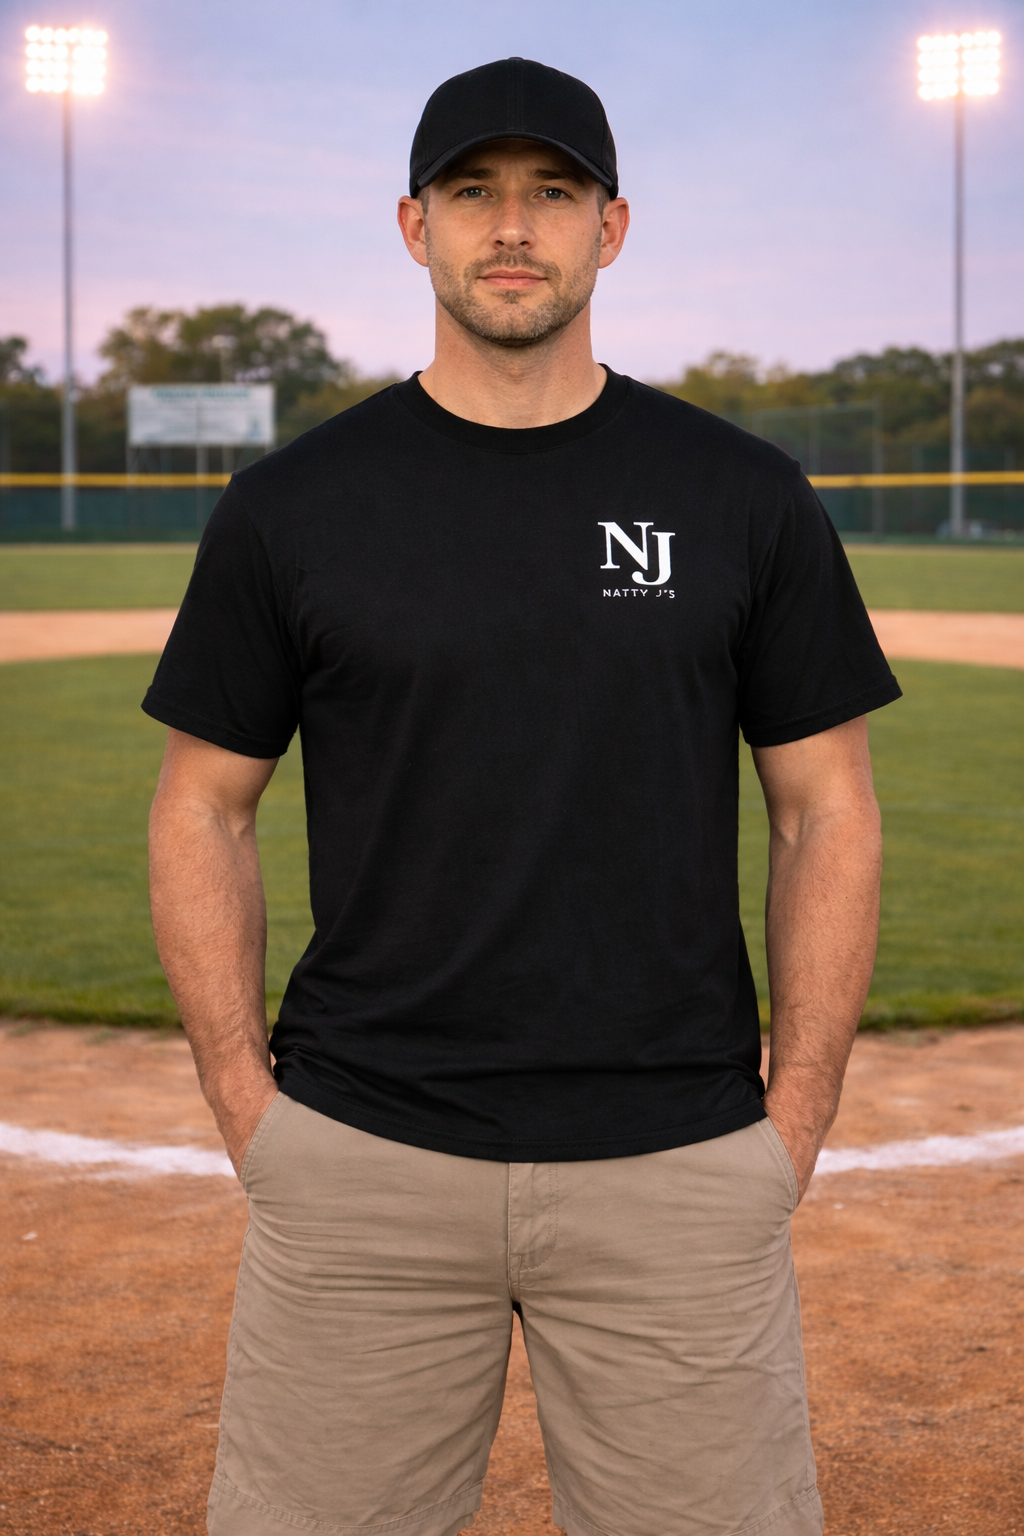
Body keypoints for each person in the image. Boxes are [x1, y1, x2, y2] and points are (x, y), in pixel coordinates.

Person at [145, 56, 900, 1536]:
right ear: (412, 225)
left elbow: (829, 810)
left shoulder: (739, 493)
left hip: (676, 1164)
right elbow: (201, 807)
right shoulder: (294, 506)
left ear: (612, 229)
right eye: (473, 193)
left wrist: (793, 1119)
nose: (512, 227)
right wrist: (252, 1110)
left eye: (551, 193)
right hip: (361, 1159)